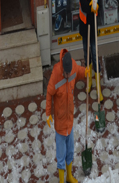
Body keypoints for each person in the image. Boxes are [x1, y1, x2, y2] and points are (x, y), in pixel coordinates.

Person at [46, 49, 91, 183]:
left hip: (69, 120)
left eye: (69, 73)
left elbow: (79, 70)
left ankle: (69, 177)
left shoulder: (72, 66)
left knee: (70, 151)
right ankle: (61, 180)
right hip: (60, 122)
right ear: (62, 69)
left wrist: (85, 72)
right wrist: (48, 113)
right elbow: (49, 93)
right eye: (66, 73)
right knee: (61, 155)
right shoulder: (56, 74)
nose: (67, 75)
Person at [77, 0, 102, 101]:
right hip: (85, 19)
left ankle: (98, 85)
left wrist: (97, 0)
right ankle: (89, 81)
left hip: (93, 19)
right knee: (87, 52)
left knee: (95, 51)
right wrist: (90, 7)